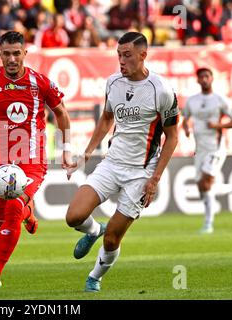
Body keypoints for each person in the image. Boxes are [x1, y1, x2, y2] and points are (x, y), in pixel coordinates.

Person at [0, 31, 74, 290]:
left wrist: (66, 151)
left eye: (16, 53)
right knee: (2, 221)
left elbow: (62, 114)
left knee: (11, 210)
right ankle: (29, 215)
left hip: (32, 159)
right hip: (0, 158)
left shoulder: (39, 82)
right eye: (6, 54)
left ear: (24, 53)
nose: (11, 59)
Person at [65, 32, 179, 292]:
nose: (121, 61)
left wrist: (155, 179)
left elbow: (171, 138)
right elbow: (106, 119)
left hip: (141, 173)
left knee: (113, 238)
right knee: (74, 216)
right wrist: (86, 154)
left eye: (127, 55)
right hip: (111, 163)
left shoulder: (161, 90)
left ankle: (94, 277)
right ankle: (94, 230)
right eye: (118, 55)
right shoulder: (113, 83)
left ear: (143, 55)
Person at [182, 67, 232, 234]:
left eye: (207, 76)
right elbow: (185, 118)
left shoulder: (220, 100)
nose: (204, 79)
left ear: (212, 79)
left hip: (215, 148)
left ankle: (208, 224)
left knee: (205, 183)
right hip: (200, 149)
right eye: (201, 77)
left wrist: (218, 125)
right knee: (202, 187)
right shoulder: (192, 101)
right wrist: (186, 129)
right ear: (197, 80)